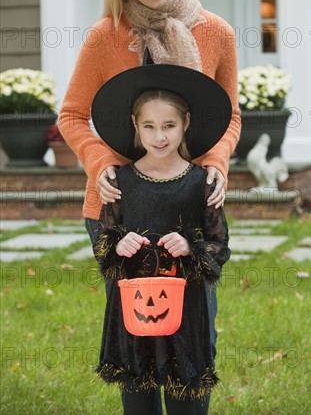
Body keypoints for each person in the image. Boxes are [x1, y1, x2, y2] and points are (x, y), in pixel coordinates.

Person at [58, 0, 241, 248]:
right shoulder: (105, 35)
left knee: (196, 300)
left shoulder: (218, 32)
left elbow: (230, 116)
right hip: (119, 203)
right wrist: (101, 164)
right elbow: (72, 116)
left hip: (190, 200)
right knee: (126, 301)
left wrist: (217, 161)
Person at [91, 62, 232, 415]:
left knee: (185, 393)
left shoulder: (203, 182)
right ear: (136, 126)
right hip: (135, 306)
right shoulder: (120, 181)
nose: (160, 137)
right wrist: (117, 246)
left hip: (186, 309)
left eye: (169, 125)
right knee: (138, 396)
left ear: (185, 123)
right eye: (150, 126)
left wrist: (190, 246)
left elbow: (219, 246)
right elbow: (105, 240)